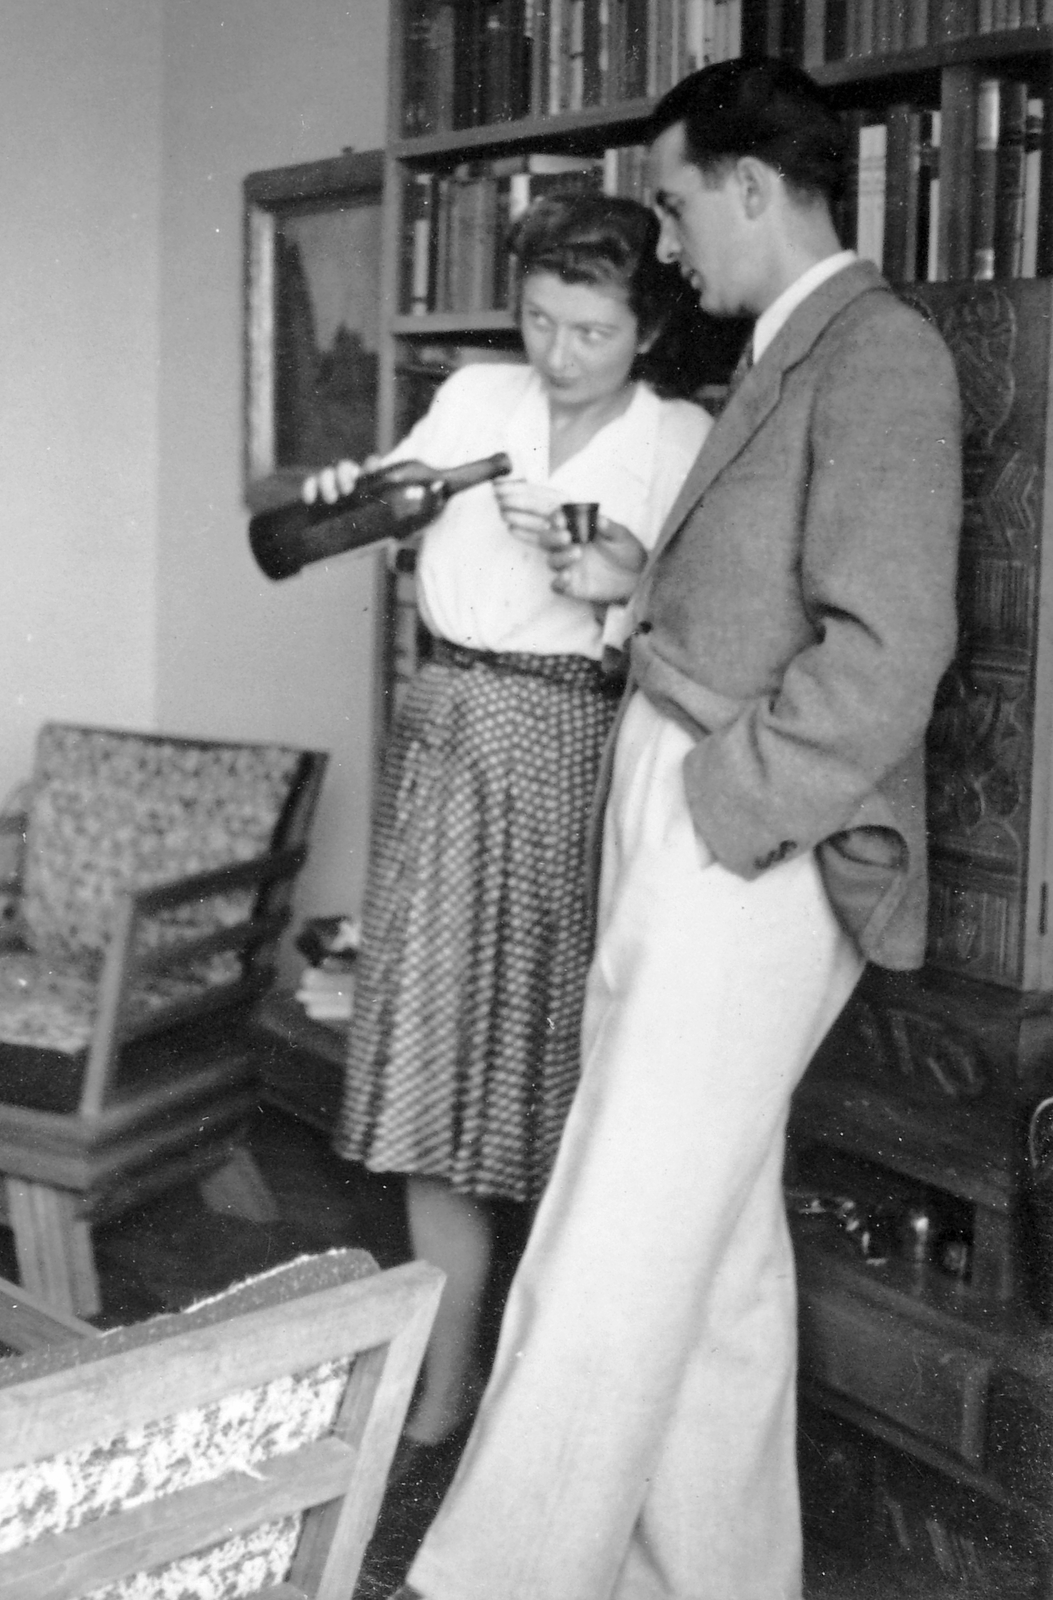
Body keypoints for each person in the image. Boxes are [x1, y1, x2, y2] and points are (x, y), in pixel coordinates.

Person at [393, 58, 962, 1600]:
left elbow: (887, 652)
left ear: (753, 187)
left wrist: (722, 809)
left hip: (748, 829)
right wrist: (634, 602)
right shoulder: (790, 348)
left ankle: (488, 1580)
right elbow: (762, 602)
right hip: (685, 797)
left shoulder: (879, 353)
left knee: (613, 1223)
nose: (667, 235)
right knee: (708, 1264)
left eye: (676, 196)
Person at [312, 192, 717, 1468]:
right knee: (439, 1066)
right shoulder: (481, 400)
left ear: (646, 327)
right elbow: (391, 508)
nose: (557, 350)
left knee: (553, 1072)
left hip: (574, 743)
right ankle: (443, 1388)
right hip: (446, 724)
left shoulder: (679, 435)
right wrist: (356, 499)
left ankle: (551, 1407)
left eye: (590, 329)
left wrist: (625, 576)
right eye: (540, 318)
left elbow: (704, 615)